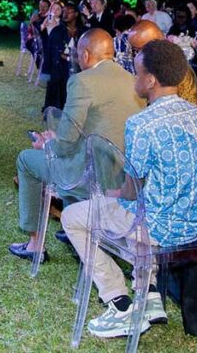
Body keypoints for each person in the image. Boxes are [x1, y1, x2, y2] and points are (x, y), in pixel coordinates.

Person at [63, 40, 197, 336]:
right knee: (136, 208)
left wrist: (113, 194)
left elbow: (132, 190)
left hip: (160, 230)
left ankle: (119, 303)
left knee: (74, 217)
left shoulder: (141, 123)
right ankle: (149, 294)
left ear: (150, 80)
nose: (134, 79)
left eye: (137, 73)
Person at [9, 29, 144, 261]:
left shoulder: (83, 81)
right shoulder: (132, 80)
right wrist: (58, 139)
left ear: (86, 55)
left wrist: (47, 145)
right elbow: (100, 128)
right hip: (125, 177)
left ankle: (34, 244)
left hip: (94, 177)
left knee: (26, 160)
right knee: (73, 157)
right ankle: (74, 229)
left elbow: (65, 143)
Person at [119, 20, 197, 106]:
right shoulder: (152, 64)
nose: (137, 55)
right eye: (135, 51)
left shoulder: (177, 67)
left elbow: (188, 104)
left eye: (139, 50)